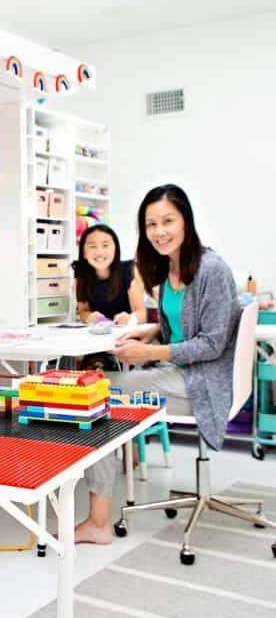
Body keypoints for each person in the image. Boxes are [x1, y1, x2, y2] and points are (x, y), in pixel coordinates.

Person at [75, 184, 241, 544]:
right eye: (151, 224)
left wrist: (148, 354)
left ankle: (99, 521)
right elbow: (179, 331)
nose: (159, 231)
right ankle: (101, 511)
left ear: (186, 221)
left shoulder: (211, 268)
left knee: (98, 396)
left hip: (204, 381)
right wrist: (149, 333)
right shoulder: (170, 269)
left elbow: (211, 344)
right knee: (101, 386)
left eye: (168, 221)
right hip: (180, 372)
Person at [74, 224, 146, 326]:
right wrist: (89, 317)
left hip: (126, 332)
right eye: (93, 247)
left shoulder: (129, 270)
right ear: (84, 253)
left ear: (115, 249)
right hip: (97, 333)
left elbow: (141, 313)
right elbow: (83, 311)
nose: (99, 252)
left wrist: (131, 319)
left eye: (105, 245)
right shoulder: (80, 273)